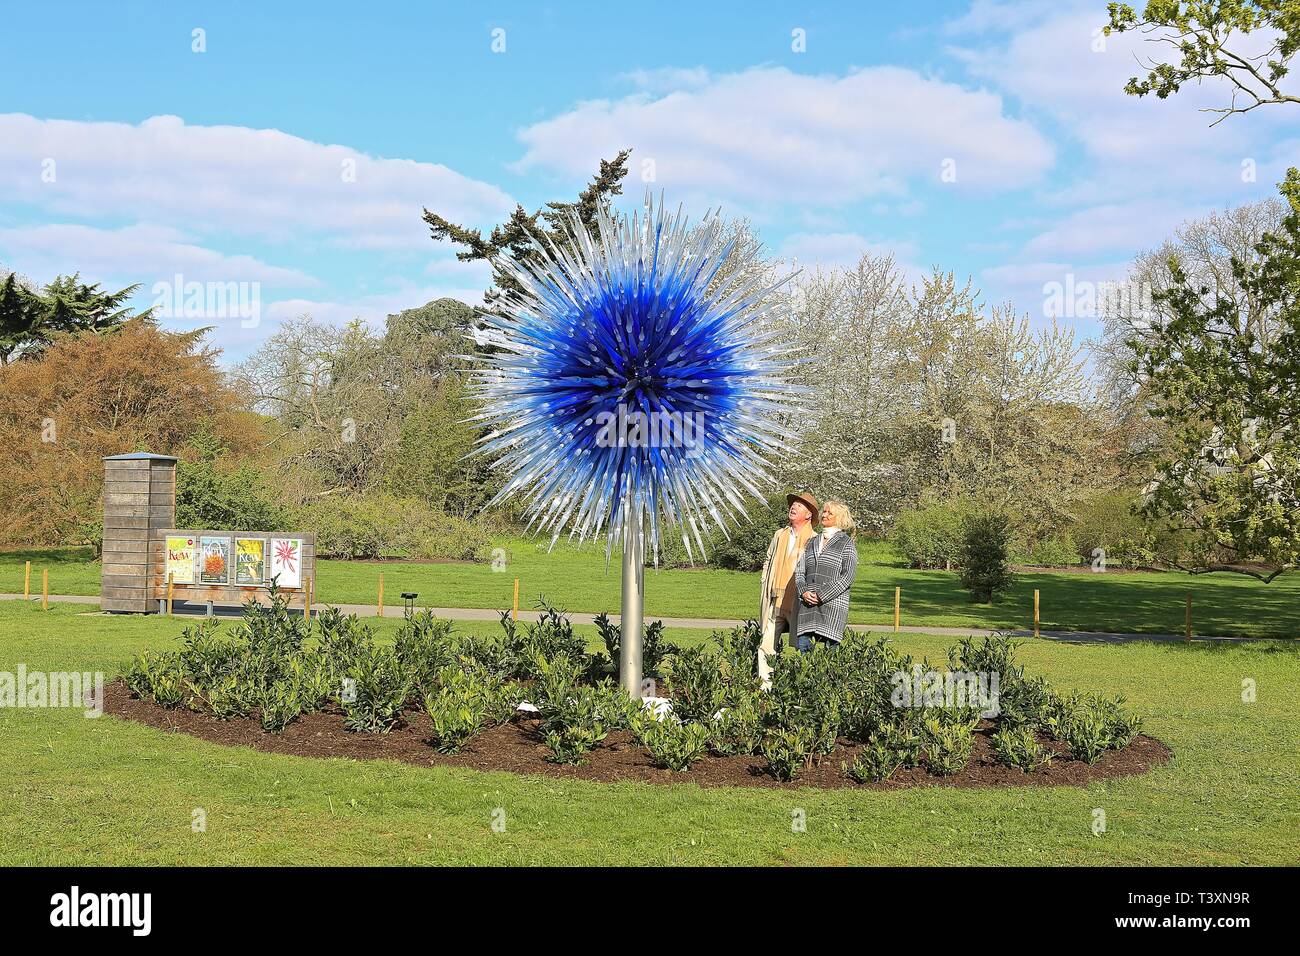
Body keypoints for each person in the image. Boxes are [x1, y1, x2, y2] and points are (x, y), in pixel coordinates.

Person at [757, 491, 819, 688]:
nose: (794, 507)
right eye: (793, 504)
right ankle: (765, 687)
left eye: (800, 506)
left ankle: (804, 687)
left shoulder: (815, 540)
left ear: (809, 515)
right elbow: (769, 559)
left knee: (804, 646)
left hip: (800, 602)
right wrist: (765, 580)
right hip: (776, 599)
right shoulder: (780, 535)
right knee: (766, 645)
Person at [794, 499, 858, 651]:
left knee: (830, 663)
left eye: (830, 513)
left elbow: (848, 576)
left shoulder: (846, 543)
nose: (825, 515)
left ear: (840, 518)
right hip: (807, 609)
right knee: (805, 658)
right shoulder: (811, 542)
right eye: (824, 511)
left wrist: (821, 595)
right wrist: (803, 591)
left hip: (832, 609)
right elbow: (799, 571)